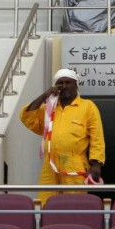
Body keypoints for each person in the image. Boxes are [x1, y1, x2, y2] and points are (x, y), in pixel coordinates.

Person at [20, 68, 105, 206]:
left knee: (74, 203)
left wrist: (96, 164)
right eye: (60, 83)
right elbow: (27, 116)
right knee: (45, 202)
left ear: (76, 85)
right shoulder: (49, 108)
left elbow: (97, 137)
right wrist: (45, 95)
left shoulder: (88, 107)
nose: (64, 86)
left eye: (68, 82)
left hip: (74, 162)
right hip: (50, 163)